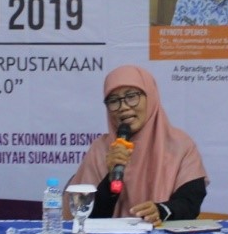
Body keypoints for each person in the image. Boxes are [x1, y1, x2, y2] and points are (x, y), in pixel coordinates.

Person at [68, 65, 207, 225]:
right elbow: (85, 214)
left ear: (151, 97)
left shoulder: (180, 144)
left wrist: (160, 210)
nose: (123, 107)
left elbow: (190, 203)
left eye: (131, 96)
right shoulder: (100, 149)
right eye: (113, 101)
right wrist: (110, 179)